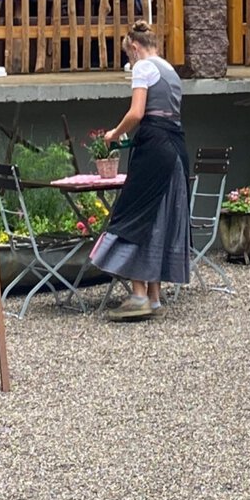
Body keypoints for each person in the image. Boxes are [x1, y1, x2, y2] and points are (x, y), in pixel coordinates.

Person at [92, 22, 190, 319]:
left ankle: (138, 295)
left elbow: (136, 113)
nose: (130, 61)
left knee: (134, 214)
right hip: (176, 149)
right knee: (157, 217)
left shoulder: (143, 67)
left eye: (128, 55)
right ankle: (154, 297)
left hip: (153, 148)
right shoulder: (170, 70)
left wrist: (113, 134)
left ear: (134, 47)